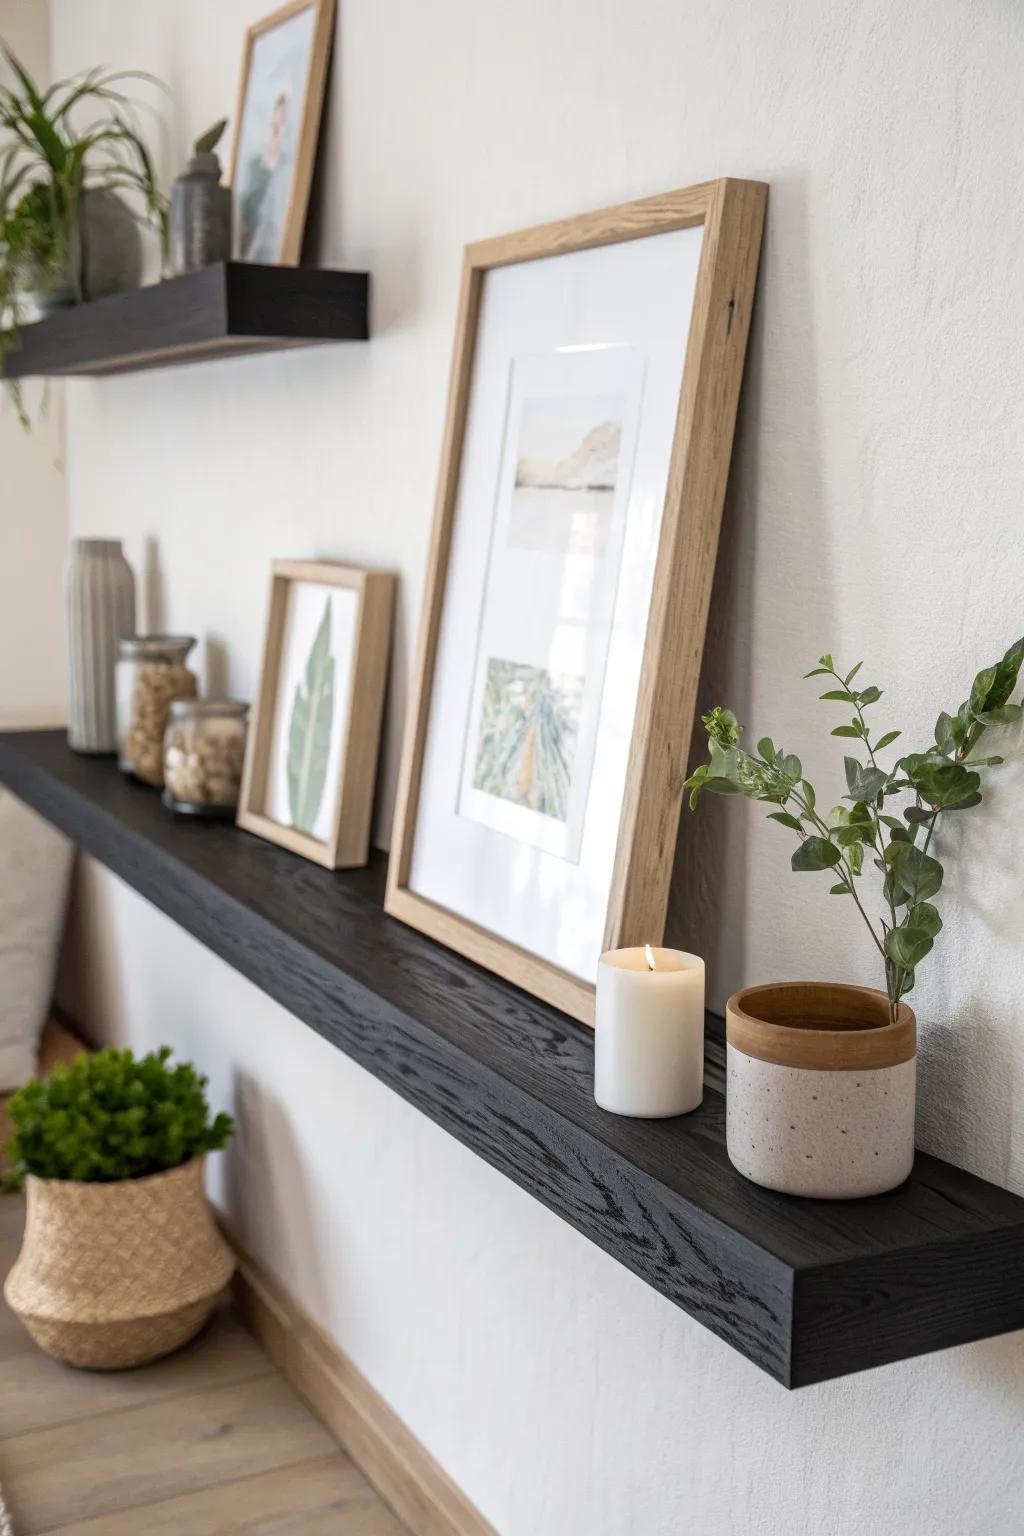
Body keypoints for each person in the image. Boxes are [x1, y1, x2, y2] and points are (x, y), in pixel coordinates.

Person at [239, 90, 292, 261]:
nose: (276, 132)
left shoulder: (289, 172)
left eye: (281, 125)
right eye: (273, 125)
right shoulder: (254, 167)